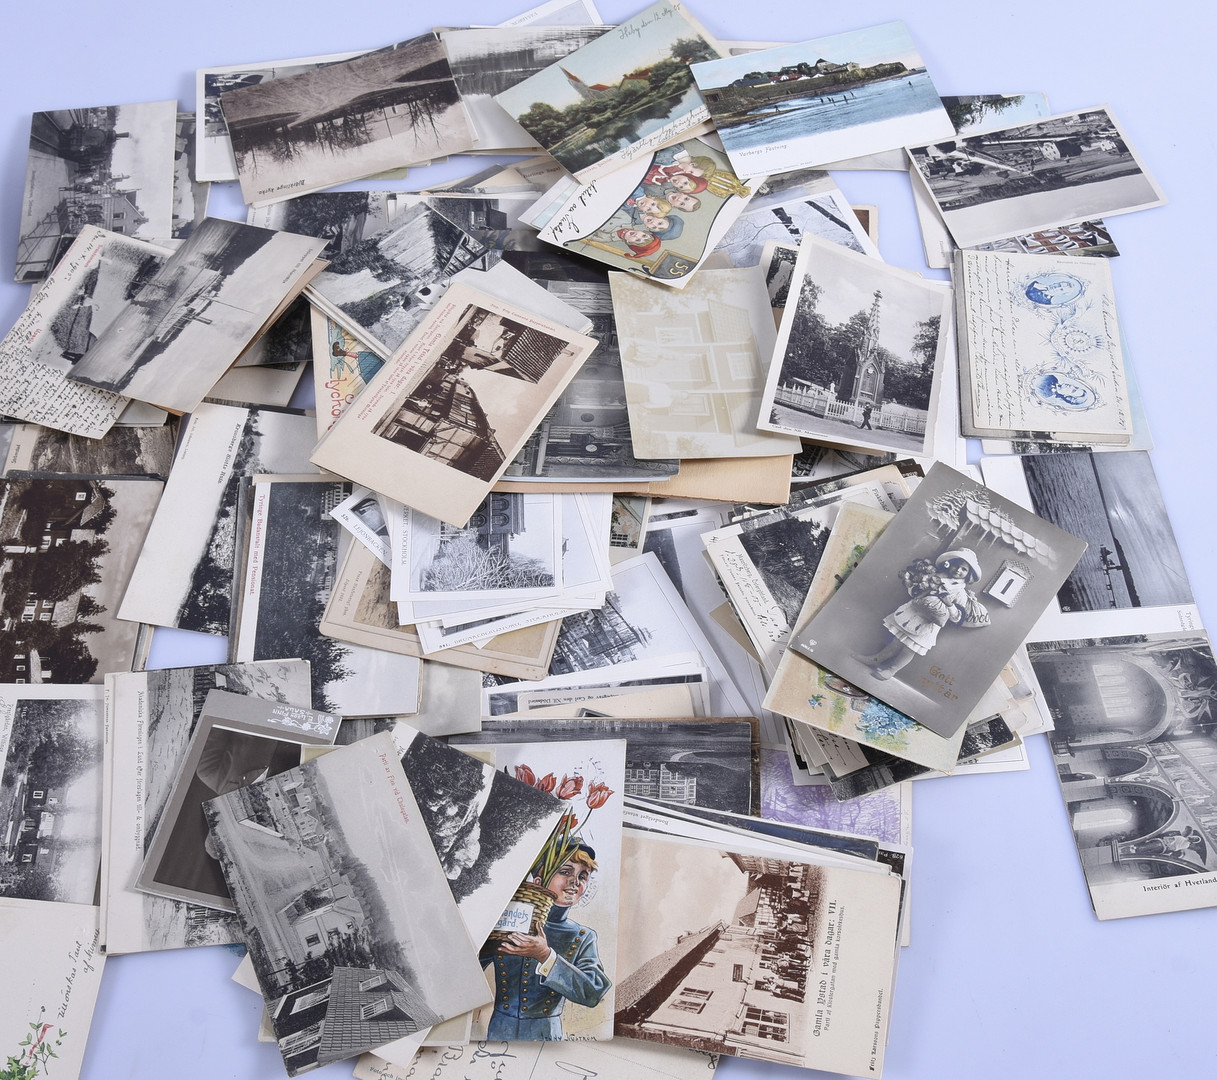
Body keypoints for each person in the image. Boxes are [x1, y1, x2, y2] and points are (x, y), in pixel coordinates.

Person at [481, 845, 610, 1040]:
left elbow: (593, 992)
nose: (575, 881)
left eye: (583, 876)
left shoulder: (583, 936)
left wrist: (546, 956)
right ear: (538, 880)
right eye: (565, 872)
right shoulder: (507, 921)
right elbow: (467, 970)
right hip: (499, 1031)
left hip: (546, 1034)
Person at [854, 549, 990, 681]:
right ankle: (875, 659)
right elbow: (915, 591)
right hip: (913, 611)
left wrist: (949, 604)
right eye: (956, 565)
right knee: (895, 641)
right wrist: (917, 587)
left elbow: (957, 618)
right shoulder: (936, 577)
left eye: (964, 569)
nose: (958, 570)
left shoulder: (960, 593)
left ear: (968, 574)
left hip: (928, 623)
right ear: (949, 564)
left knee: (909, 649)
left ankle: (891, 670)